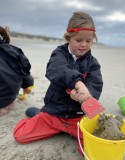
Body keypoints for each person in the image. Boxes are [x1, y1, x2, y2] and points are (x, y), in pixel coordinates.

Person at [13, 11, 103, 154]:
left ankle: (64, 128)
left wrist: (86, 95)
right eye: (78, 40)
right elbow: (56, 69)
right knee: (20, 135)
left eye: (88, 41)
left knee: (92, 150)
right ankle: (38, 115)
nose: (83, 45)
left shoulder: (93, 64)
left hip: (77, 117)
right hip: (54, 114)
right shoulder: (59, 53)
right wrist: (78, 83)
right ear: (69, 37)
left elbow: (96, 85)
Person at [0, 26, 34, 116]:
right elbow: (25, 71)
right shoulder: (13, 50)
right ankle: (7, 106)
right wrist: (28, 85)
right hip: (9, 98)